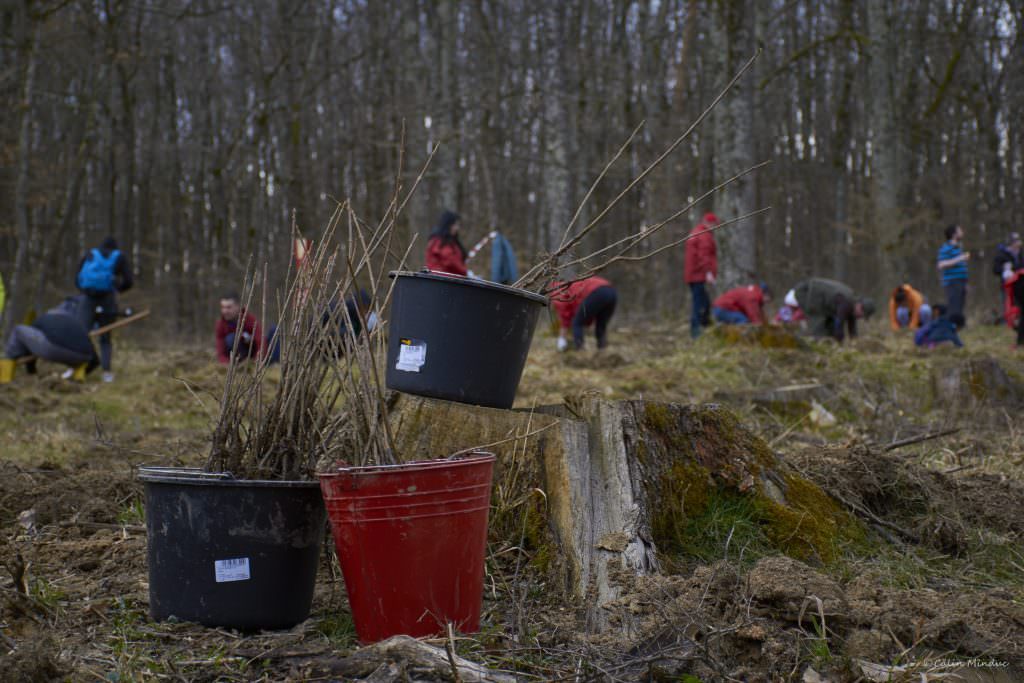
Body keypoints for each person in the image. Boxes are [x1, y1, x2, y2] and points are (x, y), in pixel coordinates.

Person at [76, 236, 133, 382]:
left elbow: (77, 278)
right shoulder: (119, 257)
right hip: (107, 299)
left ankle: (79, 367)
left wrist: (84, 292)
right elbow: (129, 281)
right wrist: (118, 289)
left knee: (82, 334)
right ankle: (106, 372)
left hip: (87, 299)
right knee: (105, 338)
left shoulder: (90, 254)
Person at [2, 302, 99, 382]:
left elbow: (28, 345)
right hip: (82, 357)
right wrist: (86, 371)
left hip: (52, 349)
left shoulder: (44, 318)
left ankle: (5, 376)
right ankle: (78, 376)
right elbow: (95, 361)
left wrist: (31, 370)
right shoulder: (77, 324)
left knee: (18, 330)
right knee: (82, 353)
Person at [792, 278, 875, 343]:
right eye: (862, 314)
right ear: (860, 306)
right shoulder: (846, 302)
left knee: (829, 327)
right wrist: (839, 341)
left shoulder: (852, 305)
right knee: (819, 327)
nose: (860, 317)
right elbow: (839, 323)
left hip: (818, 298)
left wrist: (855, 341)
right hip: (806, 291)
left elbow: (852, 327)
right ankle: (806, 344)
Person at [551, 276, 618, 351]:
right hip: (611, 291)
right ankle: (602, 350)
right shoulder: (574, 283)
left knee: (577, 323)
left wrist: (562, 337)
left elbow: (565, 312)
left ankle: (580, 350)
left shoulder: (558, 291)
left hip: (596, 291)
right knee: (601, 324)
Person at [683, 212, 718, 338]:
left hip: (692, 275)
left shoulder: (695, 232)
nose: (715, 227)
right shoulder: (704, 235)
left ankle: (704, 326)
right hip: (698, 274)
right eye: (715, 225)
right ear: (710, 223)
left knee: (704, 302)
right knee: (700, 304)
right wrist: (708, 272)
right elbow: (704, 255)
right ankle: (696, 332)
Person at [215, 293, 264, 364]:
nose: (225, 311)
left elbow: (260, 342)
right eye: (223, 307)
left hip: (252, 355)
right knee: (231, 338)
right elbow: (220, 352)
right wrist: (228, 364)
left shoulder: (250, 320)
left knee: (274, 330)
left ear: (238, 306)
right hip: (234, 360)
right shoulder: (220, 324)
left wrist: (256, 361)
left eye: (228, 307)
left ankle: (274, 364)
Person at [937, 224, 969, 324]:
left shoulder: (958, 248)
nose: (962, 232)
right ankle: (950, 326)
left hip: (961, 281)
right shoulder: (946, 248)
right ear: (954, 234)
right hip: (952, 281)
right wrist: (960, 258)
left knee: (960, 305)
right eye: (960, 231)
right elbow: (941, 264)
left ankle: (957, 326)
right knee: (953, 305)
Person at [425, 210, 468, 276]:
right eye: (455, 225)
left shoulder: (452, 242)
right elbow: (450, 261)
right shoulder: (439, 241)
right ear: (448, 225)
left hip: (451, 280)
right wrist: (464, 271)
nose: (457, 228)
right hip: (441, 281)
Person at [993, 232, 1022, 320]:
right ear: (1011, 243)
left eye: (1018, 240)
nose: (1018, 243)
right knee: (1007, 302)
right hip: (1007, 285)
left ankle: (1019, 319)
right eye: (1015, 241)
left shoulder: (1021, 254)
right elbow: (995, 269)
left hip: (1020, 284)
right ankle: (1008, 319)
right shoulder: (1002, 255)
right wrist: (1004, 269)